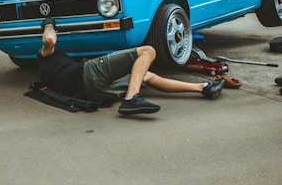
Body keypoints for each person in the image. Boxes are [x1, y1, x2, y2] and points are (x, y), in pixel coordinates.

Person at [37, 19, 225, 116]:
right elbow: (49, 39)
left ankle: (203, 88)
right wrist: (48, 24)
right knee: (148, 51)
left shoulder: (49, 73)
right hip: (88, 74)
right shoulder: (44, 56)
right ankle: (131, 99)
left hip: (93, 92)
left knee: (145, 75)